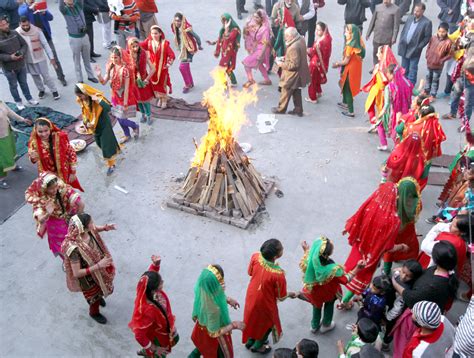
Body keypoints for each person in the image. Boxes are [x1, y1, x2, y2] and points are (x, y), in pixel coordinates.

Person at [340, 178, 420, 307]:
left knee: (354, 271)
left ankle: (343, 294)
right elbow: (388, 247)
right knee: (362, 276)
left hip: (359, 248)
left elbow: (357, 218)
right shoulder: (393, 220)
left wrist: (348, 229)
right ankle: (344, 302)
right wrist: (401, 246)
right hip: (373, 255)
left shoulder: (371, 206)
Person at [390, 241, 459, 355]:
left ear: (437, 259)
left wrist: (394, 282)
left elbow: (411, 297)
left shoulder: (433, 285)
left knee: (403, 340)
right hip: (429, 313)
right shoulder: (443, 271)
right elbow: (424, 273)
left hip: (417, 317)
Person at [298, 237, 366, 333]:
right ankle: (326, 324)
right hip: (329, 293)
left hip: (314, 293)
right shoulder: (333, 269)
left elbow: (308, 256)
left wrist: (306, 250)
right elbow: (345, 279)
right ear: (327, 255)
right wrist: (357, 268)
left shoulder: (308, 261)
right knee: (329, 306)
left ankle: (314, 325)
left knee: (316, 307)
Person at [242, 239, 296, 354]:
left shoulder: (255, 256)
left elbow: (250, 272)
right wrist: (290, 294)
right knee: (266, 325)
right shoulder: (278, 274)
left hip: (251, 296)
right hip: (265, 303)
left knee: (252, 319)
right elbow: (281, 296)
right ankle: (258, 345)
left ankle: (250, 340)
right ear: (276, 256)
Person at [61, 213, 116, 324]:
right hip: (87, 278)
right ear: (83, 228)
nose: (93, 224)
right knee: (93, 297)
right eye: (90, 223)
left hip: (98, 267)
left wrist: (105, 228)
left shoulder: (87, 231)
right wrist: (99, 265)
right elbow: (76, 273)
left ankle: (100, 297)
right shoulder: (74, 249)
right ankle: (94, 313)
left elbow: (95, 229)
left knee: (100, 288)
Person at [188, 264, 245, 357]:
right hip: (214, 335)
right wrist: (233, 325)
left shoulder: (202, 289)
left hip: (201, 328)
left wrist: (228, 299)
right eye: (220, 283)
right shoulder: (213, 309)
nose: (223, 285)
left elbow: (214, 296)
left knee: (202, 346)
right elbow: (214, 333)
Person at [129, 255, 179, 357]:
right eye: (160, 283)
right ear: (153, 290)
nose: (162, 282)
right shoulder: (148, 311)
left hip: (164, 329)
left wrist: (155, 266)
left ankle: (145, 351)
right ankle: (148, 351)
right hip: (158, 339)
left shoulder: (144, 287)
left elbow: (150, 276)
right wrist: (155, 348)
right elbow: (139, 335)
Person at [25, 172, 84, 258]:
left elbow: (81, 204)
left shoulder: (62, 187)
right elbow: (41, 220)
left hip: (70, 217)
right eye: (51, 189)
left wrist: (77, 218)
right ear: (45, 189)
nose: (55, 190)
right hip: (56, 226)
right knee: (67, 250)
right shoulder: (41, 200)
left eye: (55, 186)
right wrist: (47, 214)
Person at [95, 46, 140, 144]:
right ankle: (127, 135)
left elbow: (127, 88)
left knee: (122, 119)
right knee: (120, 119)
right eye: (112, 57)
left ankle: (135, 126)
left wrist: (125, 104)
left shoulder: (126, 70)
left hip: (124, 97)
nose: (113, 60)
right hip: (115, 97)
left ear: (121, 57)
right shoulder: (111, 67)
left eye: (116, 57)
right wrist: (99, 75)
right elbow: (103, 82)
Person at [75, 83, 121, 176]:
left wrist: (98, 100)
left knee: (106, 146)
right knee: (100, 143)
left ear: (85, 92)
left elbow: (108, 108)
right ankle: (116, 149)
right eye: (78, 96)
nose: (80, 98)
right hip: (94, 127)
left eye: (81, 95)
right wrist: (85, 122)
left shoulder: (97, 98)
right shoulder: (82, 100)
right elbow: (84, 112)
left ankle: (111, 165)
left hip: (104, 125)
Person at [18, 0, 67, 86]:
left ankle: (61, 76)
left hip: (46, 36)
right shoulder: (23, 8)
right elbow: (22, 13)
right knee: (38, 60)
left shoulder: (39, 5)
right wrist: (30, 8)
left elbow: (51, 17)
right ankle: (45, 80)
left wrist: (44, 13)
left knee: (54, 56)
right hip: (34, 39)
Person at [28, 118, 83, 191]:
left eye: (46, 130)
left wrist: (73, 173)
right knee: (54, 194)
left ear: (50, 128)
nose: (44, 134)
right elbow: (33, 160)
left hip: (64, 172)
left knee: (66, 192)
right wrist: (32, 157)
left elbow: (71, 152)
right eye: (40, 131)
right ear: (35, 131)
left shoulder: (60, 137)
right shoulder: (34, 143)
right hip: (48, 177)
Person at [383, 260, 423, 351]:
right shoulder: (397, 274)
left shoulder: (407, 289)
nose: (403, 276)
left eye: (408, 276)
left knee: (390, 329)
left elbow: (397, 308)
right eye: (403, 272)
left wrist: (388, 318)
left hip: (394, 313)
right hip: (389, 304)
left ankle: (385, 343)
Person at [16, 17, 60, 100]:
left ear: (29, 23)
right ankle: (41, 90)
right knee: (35, 76)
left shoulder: (37, 30)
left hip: (40, 57)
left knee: (46, 76)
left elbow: (45, 44)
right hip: (28, 59)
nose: (25, 27)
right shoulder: (17, 32)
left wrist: (51, 57)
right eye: (23, 26)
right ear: (19, 24)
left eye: (27, 25)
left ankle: (54, 90)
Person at [0, 15, 38, 109]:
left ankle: (29, 98)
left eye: (6, 24)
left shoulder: (14, 33)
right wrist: (10, 57)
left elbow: (24, 45)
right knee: (13, 85)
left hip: (21, 64)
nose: (6, 26)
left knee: (24, 83)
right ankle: (18, 102)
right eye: (2, 25)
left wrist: (21, 52)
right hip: (9, 68)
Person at [362, 46, 398, 147]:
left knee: (379, 112)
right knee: (369, 107)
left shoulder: (385, 69)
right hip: (375, 90)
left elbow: (384, 81)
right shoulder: (380, 66)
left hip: (381, 93)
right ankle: (374, 123)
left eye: (379, 53)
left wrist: (380, 71)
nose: (377, 54)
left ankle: (378, 126)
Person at [271, 27, 310, 117]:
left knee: (286, 90)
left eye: (286, 36)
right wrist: (286, 58)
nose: (285, 38)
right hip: (300, 72)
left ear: (292, 36)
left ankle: (281, 109)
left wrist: (281, 64)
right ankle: (298, 109)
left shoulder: (294, 47)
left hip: (292, 75)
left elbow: (293, 65)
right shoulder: (301, 39)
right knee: (296, 90)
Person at [59, 0, 98, 84]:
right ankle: (80, 79)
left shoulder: (78, 6)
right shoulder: (65, 10)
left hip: (84, 35)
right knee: (77, 60)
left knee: (87, 58)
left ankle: (90, 76)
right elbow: (60, 6)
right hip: (74, 38)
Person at [333, 24, 365, 118]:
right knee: (347, 87)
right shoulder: (359, 43)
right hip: (355, 68)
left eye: (347, 32)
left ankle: (351, 111)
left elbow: (345, 61)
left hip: (350, 69)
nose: (345, 33)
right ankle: (345, 103)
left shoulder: (350, 46)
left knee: (347, 89)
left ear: (352, 34)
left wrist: (337, 64)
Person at [140, 25, 175, 109]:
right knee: (154, 85)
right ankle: (160, 98)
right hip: (153, 69)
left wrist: (168, 64)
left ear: (160, 34)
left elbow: (172, 55)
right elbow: (139, 46)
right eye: (152, 33)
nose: (153, 35)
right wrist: (132, 42)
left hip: (162, 69)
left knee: (162, 84)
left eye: (156, 33)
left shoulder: (165, 44)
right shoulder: (148, 42)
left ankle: (164, 100)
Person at [397, 2, 432, 85]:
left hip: (415, 49)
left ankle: (410, 86)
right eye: (415, 10)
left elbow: (427, 37)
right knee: (404, 68)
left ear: (423, 11)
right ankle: (403, 84)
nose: (415, 12)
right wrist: (401, 40)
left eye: (418, 11)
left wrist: (419, 47)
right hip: (404, 47)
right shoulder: (410, 18)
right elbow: (404, 30)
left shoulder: (427, 22)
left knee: (412, 69)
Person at [0, 99, 32, 189]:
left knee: (11, 150)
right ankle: (1, 179)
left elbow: (9, 112)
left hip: (7, 132)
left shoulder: (1, 102)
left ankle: (13, 166)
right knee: (2, 157)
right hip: (0, 138)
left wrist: (22, 120)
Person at [171, 12, 201, 93]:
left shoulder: (187, 29)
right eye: (176, 21)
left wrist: (199, 45)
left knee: (182, 67)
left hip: (189, 50)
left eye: (179, 21)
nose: (177, 23)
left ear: (182, 20)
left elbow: (197, 37)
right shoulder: (174, 26)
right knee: (186, 67)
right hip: (183, 50)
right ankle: (191, 82)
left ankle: (187, 84)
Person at [208, 13, 241, 87]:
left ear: (230, 21)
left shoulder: (234, 30)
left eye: (226, 21)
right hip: (224, 51)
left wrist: (226, 29)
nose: (224, 23)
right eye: (223, 21)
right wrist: (213, 42)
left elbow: (229, 38)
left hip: (229, 52)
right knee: (227, 67)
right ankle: (233, 81)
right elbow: (221, 38)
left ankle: (224, 83)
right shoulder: (223, 29)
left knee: (221, 67)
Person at [127, 37, 154, 125]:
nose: (135, 48)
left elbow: (153, 68)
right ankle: (143, 114)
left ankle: (149, 115)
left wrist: (147, 79)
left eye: (137, 46)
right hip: (133, 82)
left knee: (145, 100)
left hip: (143, 80)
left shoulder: (144, 54)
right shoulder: (127, 56)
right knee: (138, 100)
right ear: (129, 47)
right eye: (133, 46)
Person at [242, 8, 272, 88]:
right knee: (260, 64)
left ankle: (250, 80)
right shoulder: (255, 24)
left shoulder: (265, 29)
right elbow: (250, 33)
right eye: (254, 16)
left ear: (262, 18)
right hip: (257, 47)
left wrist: (261, 55)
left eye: (257, 17)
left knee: (246, 64)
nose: (255, 19)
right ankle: (267, 80)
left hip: (263, 49)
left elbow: (265, 44)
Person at [366, 0, 401, 66]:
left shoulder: (396, 9)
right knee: (375, 53)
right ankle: (376, 67)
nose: (385, 1)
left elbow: (396, 26)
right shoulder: (378, 7)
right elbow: (372, 21)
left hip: (387, 38)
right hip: (377, 36)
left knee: (385, 55)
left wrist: (394, 38)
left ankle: (383, 69)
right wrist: (368, 33)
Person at [424, 22, 453, 99]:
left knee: (435, 79)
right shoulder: (433, 38)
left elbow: (450, 54)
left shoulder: (448, 42)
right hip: (430, 62)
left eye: (443, 32)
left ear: (447, 32)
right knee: (428, 77)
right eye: (439, 31)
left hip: (438, 65)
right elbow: (429, 46)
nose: (441, 33)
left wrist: (442, 60)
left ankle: (433, 94)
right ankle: (426, 91)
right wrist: (427, 55)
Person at [305, 21, 331, 103]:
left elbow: (312, 52)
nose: (316, 31)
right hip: (320, 63)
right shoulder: (327, 39)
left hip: (315, 63)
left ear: (323, 31)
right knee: (316, 78)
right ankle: (318, 92)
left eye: (319, 30)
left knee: (312, 80)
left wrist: (307, 50)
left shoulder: (320, 42)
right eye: (316, 29)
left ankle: (312, 98)